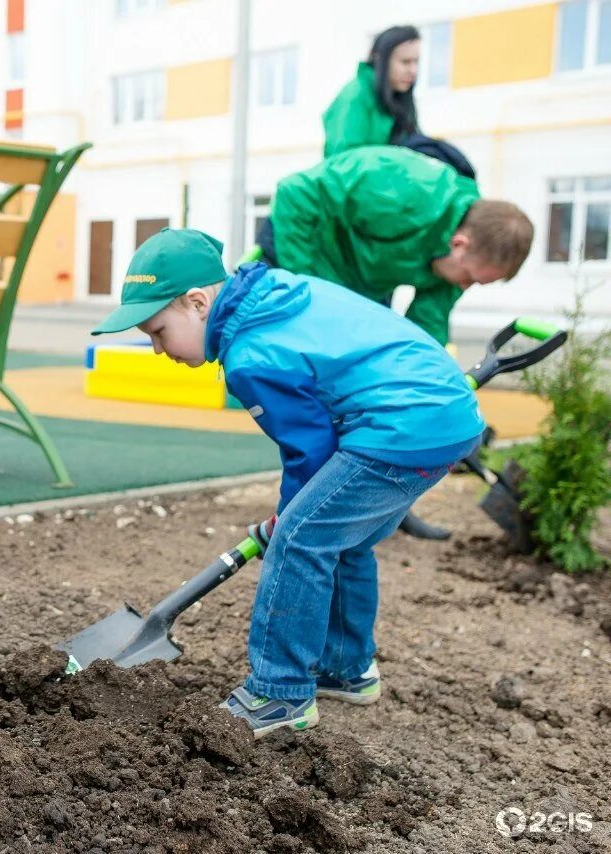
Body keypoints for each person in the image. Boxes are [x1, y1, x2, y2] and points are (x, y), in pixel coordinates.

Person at [92, 229, 485, 737]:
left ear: (196, 302)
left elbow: (309, 453)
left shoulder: (252, 357)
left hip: (400, 427)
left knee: (300, 540)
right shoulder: (277, 295)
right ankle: (346, 669)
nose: (155, 348)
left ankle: (278, 694)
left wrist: (288, 519)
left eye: (158, 331)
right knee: (344, 539)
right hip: (442, 421)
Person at [255, 145, 533, 348]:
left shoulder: (457, 266)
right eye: (469, 278)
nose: (464, 287)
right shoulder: (402, 191)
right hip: (300, 245)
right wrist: (308, 288)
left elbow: (426, 329)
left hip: (359, 282)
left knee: (367, 351)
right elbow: (295, 192)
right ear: (459, 244)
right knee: (286, 344)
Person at [322, 25, 421, 157]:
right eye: (405, 62)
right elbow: (344, 162)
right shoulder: (354, 96)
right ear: (378, 58)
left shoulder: (400, 100)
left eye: (416, 62)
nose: (413, 71)